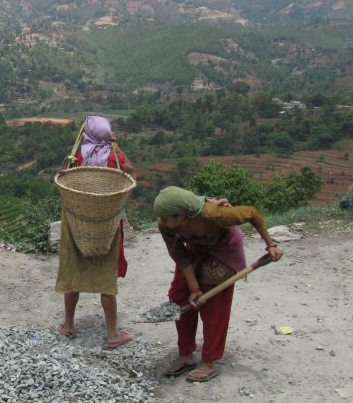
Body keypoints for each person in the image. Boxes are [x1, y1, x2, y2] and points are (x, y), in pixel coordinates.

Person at [153, 186, 283, 382]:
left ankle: (209, 360)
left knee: (214, 305)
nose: (162, 221)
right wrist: (194, 288)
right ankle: (186, 355)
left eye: (166, 218)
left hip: (223, 248)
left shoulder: (214, 214)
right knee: (179, 297)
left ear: (182, 216)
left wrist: (270, 245)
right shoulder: (165, 225)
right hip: (195, 250)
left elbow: (252, 214)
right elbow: (179, 254)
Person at [55, 115, 133, 348]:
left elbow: (64, 177)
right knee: (106, 278)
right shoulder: (115, 156)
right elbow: (129, 175)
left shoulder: (76, 157)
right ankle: (112, 335)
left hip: (77, 222)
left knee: (73, 272)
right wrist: (115, 146)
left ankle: (68, 325)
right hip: (105, 225)